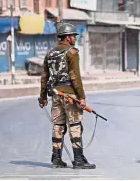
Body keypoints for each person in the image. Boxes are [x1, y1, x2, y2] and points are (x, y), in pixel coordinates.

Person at [38, 22, 96, 169]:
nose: (75, 38)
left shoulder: (50, 53)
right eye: (73, 36)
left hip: (56, 95)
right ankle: (78, 160)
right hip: (70, 95)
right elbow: (75, 76)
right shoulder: (72, 52)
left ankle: (56, 159)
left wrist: (43, 97)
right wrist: (81, 97)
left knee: (58, 125)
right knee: (75, 125)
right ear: (67, 37)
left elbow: (44, 77)